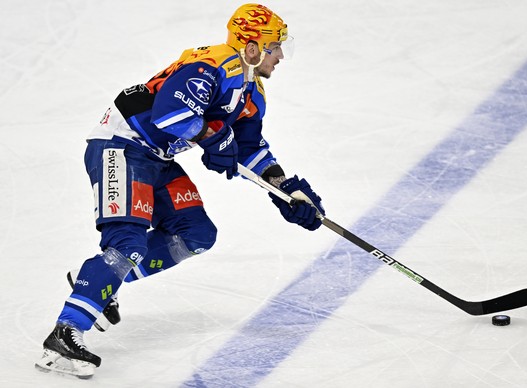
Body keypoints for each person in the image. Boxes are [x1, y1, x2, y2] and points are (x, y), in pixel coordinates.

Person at [35, 3, 324, 379]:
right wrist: (214, 138)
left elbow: (249, 149)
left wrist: (286, 190)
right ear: (252, 47)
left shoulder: (252, 92)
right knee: (128, 244)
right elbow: (170, 113)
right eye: (274, 46)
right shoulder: (213, 65)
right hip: (121, 146)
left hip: (154, 156)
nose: (281, 55)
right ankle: (65, 332)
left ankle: (96, 280)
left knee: (197, 234)